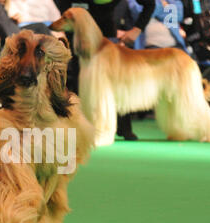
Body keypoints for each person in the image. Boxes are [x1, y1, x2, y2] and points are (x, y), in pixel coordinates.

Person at [56, 0, 155, 141]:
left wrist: (137, 29)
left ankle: (123, 127)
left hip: (107, 39)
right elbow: (64, 8)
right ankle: (85, 130)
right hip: (79, 41)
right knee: (83, 87)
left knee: (116, 84)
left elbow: (150, 4)